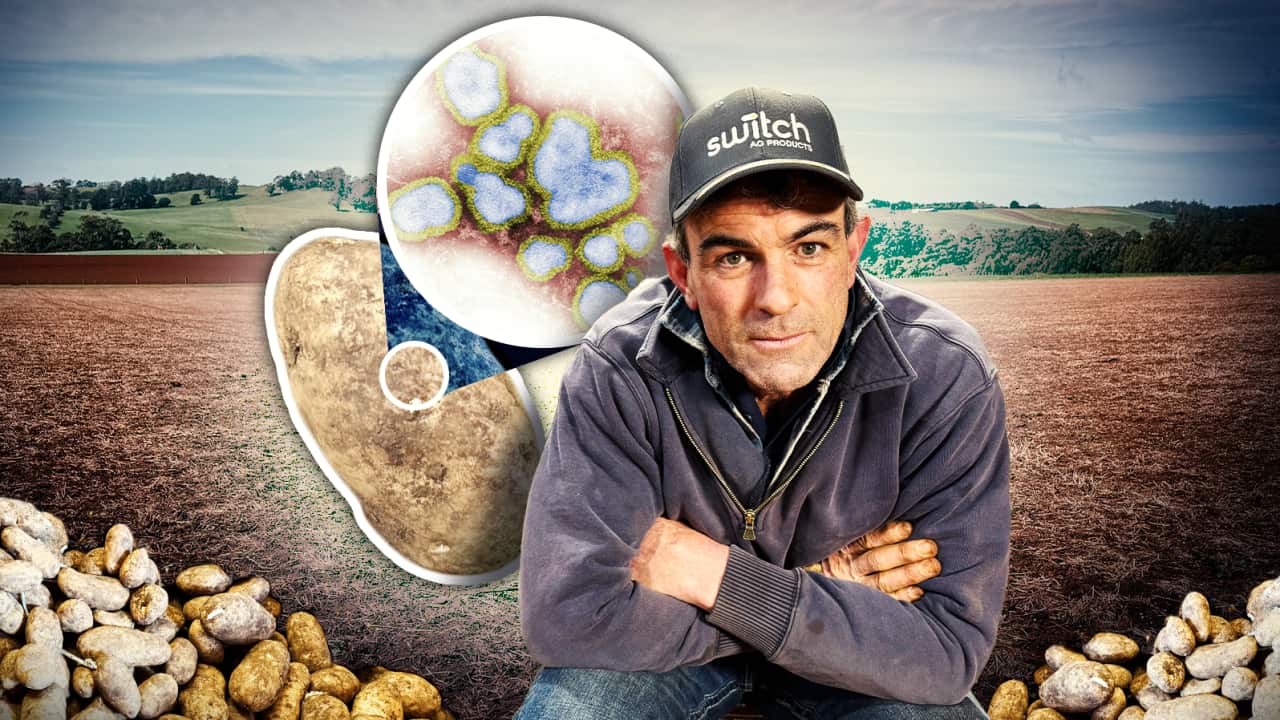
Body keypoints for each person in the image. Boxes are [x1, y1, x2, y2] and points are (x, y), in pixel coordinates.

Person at [515, 87, 1010, 719]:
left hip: (847, 674)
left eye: (809, 248)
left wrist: (709, 573)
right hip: (686, 658)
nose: (775, 298)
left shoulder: (943, 373)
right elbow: (569, 616)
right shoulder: (620, 365)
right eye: (733, 257)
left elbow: (943, 651)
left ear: (854, 248)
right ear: (682, 272)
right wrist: (814, 595)